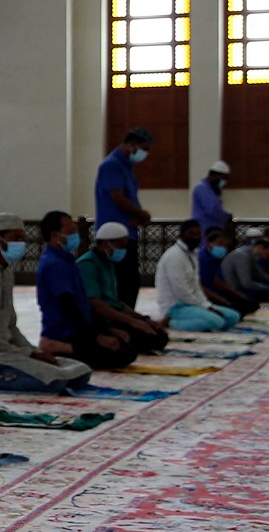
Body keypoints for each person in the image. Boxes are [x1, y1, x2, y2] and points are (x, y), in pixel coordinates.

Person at [0, 212, 93, 394]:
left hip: (11, 350)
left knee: (80, 371)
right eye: (16, 238)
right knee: (53, 381)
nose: (22, 244)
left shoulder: (6, 273)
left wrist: (32, 350)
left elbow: (11, 326)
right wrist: (28, 354)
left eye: (23, 238)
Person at [33, 211, 140, 371]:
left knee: (126, 348)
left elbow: (85, 303)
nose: (76, 235)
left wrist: (108, 330)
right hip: (64, 331)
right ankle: (55, 346)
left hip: (78, 328)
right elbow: (69, 306)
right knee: (119, 355)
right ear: (55, 235)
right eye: (71, 231)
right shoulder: (54, 264)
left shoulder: (67, 260)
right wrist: (97, 337)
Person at [78, 221, 171, 354]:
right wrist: (132, 322)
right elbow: (96, 303)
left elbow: (116, 302)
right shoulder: (88, 264)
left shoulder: (108, 263)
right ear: (106, 243)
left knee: (158, 335)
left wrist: (142, 319)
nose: (123, 251)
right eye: (120, 246)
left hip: (114, 316)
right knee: (143, 341)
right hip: (99, 320)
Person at [94, 127, 154, 308]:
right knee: (120, 283)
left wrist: (138, 217)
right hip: (114, 235)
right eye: (144, 148)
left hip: (128, 232)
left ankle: (127, 319)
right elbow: (117, 197)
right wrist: (141, 214)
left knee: (130, 282)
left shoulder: (126, 166)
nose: (145, 154)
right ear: (131, 144)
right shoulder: (112, 165)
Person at [156, 218, 241, 331]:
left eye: (198, 234)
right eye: (191, 234)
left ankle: (202, 317)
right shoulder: (174, 256)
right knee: (216, 321)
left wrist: (207, 305)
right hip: (176, 306)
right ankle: (170, 322)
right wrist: (203, 306)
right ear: (181, 235)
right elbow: (181, 292)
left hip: (193, 303)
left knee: (233, 317)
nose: (195, 237)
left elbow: (196, 284)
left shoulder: (193, 254)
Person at [199, 226, 261, 317]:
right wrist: (221, 299)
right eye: (219, 244)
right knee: (236, 311)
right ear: (209, 243)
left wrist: (236, 293)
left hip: (218, 291)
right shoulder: (202, 259)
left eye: (224, 245)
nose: (222, 248)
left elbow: (214, 280)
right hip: (206, 296)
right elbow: (201, 287)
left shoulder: (216, 258)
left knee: (251, 303)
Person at [224, 230, 269, 302]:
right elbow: (246, 283)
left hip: (240, 287)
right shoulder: (243, 256)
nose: (266, 257)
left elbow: (261, 274)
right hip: (234, 290)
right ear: (261, 248)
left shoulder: (250, 255)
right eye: (267, 253)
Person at [191, 160, 232, 234]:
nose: (224, 182)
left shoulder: (212, 190)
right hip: (206, 231)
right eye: (223, 178)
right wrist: (227, 216)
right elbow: (212, 210)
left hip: (214, 231)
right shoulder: (202, 188)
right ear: (215, 175)